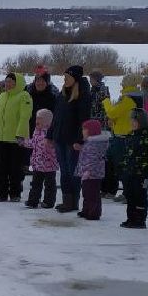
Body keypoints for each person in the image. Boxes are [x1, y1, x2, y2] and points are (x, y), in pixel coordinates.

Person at [0, 72, 32, 202]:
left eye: (11, 81)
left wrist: (20, 134)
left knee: (15, 167)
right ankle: (1, 192)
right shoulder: (2, 96)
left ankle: (15, 193)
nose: (8, 83)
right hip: (1, 138)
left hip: (16, 139)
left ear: (17, 83)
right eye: (7, 81)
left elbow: (24, 117)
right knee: (1, 167)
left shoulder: (24, 96)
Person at [52, 65, 90, 213]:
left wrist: (80, 140)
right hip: (59, 138)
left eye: (68, 77)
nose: (65, 80)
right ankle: (66, 199)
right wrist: (50, 135)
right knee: (64, 170)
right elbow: (56, 117)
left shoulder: (82, 95)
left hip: (72, 140)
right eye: (64, 77)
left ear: (75, 79)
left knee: (73, 170)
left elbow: (84, 120)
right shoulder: (62, 95)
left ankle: (73, 201)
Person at [102, 75, 139, 197]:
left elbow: (112, 112)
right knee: (113, 164)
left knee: (121, 166)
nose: (121, 84)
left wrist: (106, 101)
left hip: (123, 137)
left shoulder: (128, 99)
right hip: (121, 134)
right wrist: (113, 122)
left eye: (123, 82)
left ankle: (127, 193)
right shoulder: (132, 98)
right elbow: (122, 116)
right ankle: (112, 189)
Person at [119, 109, 148, 229]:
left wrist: (147, 171)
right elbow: (126, 154)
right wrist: (123, 168)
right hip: (129, 172)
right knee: (130, 195)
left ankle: (140, 219)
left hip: (142, 173)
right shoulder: (130, 136)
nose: (133, 123)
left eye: (136, 120)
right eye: (132, 120)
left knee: (140, 195)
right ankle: (131, 218)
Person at [76, 118, 111, 221]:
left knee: (92, 193)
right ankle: (87, 210)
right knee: (87, 192)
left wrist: (87, 171)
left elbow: (92, 159)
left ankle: (94, 212)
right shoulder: (89, 143)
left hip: (92, 173)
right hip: (88, 173)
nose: (82, 132)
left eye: (84, 129)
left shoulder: (95, 144)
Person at [24, 106, 58, 208]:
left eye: (40, 119)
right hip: (38, 164)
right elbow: (34, 143)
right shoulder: (36, 131)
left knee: (49, 184)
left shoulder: (51, 133)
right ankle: (33, 201)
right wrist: (25, 142)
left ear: (47, 122)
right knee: (35, 183)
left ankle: (49, 201)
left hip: (49, 164)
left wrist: (49, 147)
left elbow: (52, 148)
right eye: (36, 119)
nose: (37, 121)